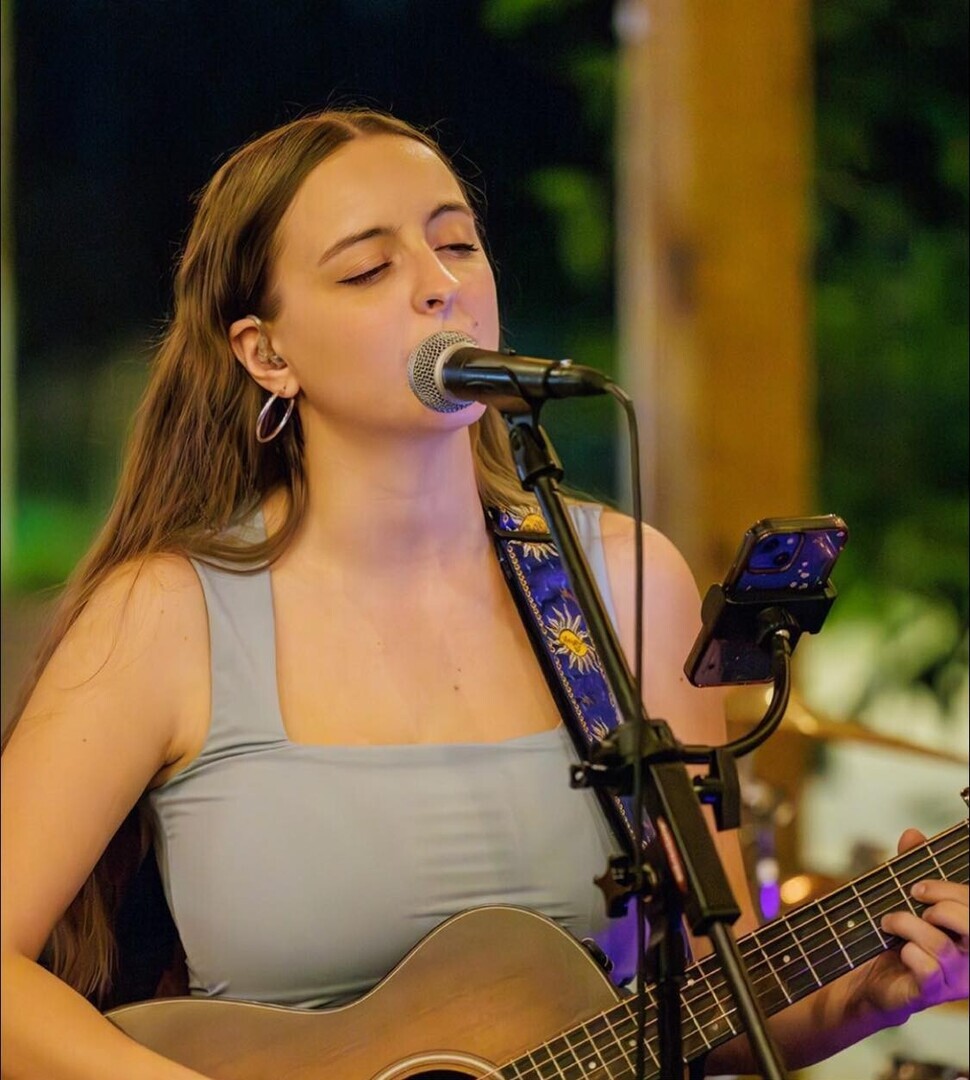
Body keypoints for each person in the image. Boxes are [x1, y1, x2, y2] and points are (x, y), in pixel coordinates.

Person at [1, 108, 966, 1080]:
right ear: (266, 353)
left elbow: (712, 999)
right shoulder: (170, 616)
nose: (439, 284)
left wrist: (863, 999)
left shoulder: (620, 584)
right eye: (368, 269)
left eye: (456, 243)